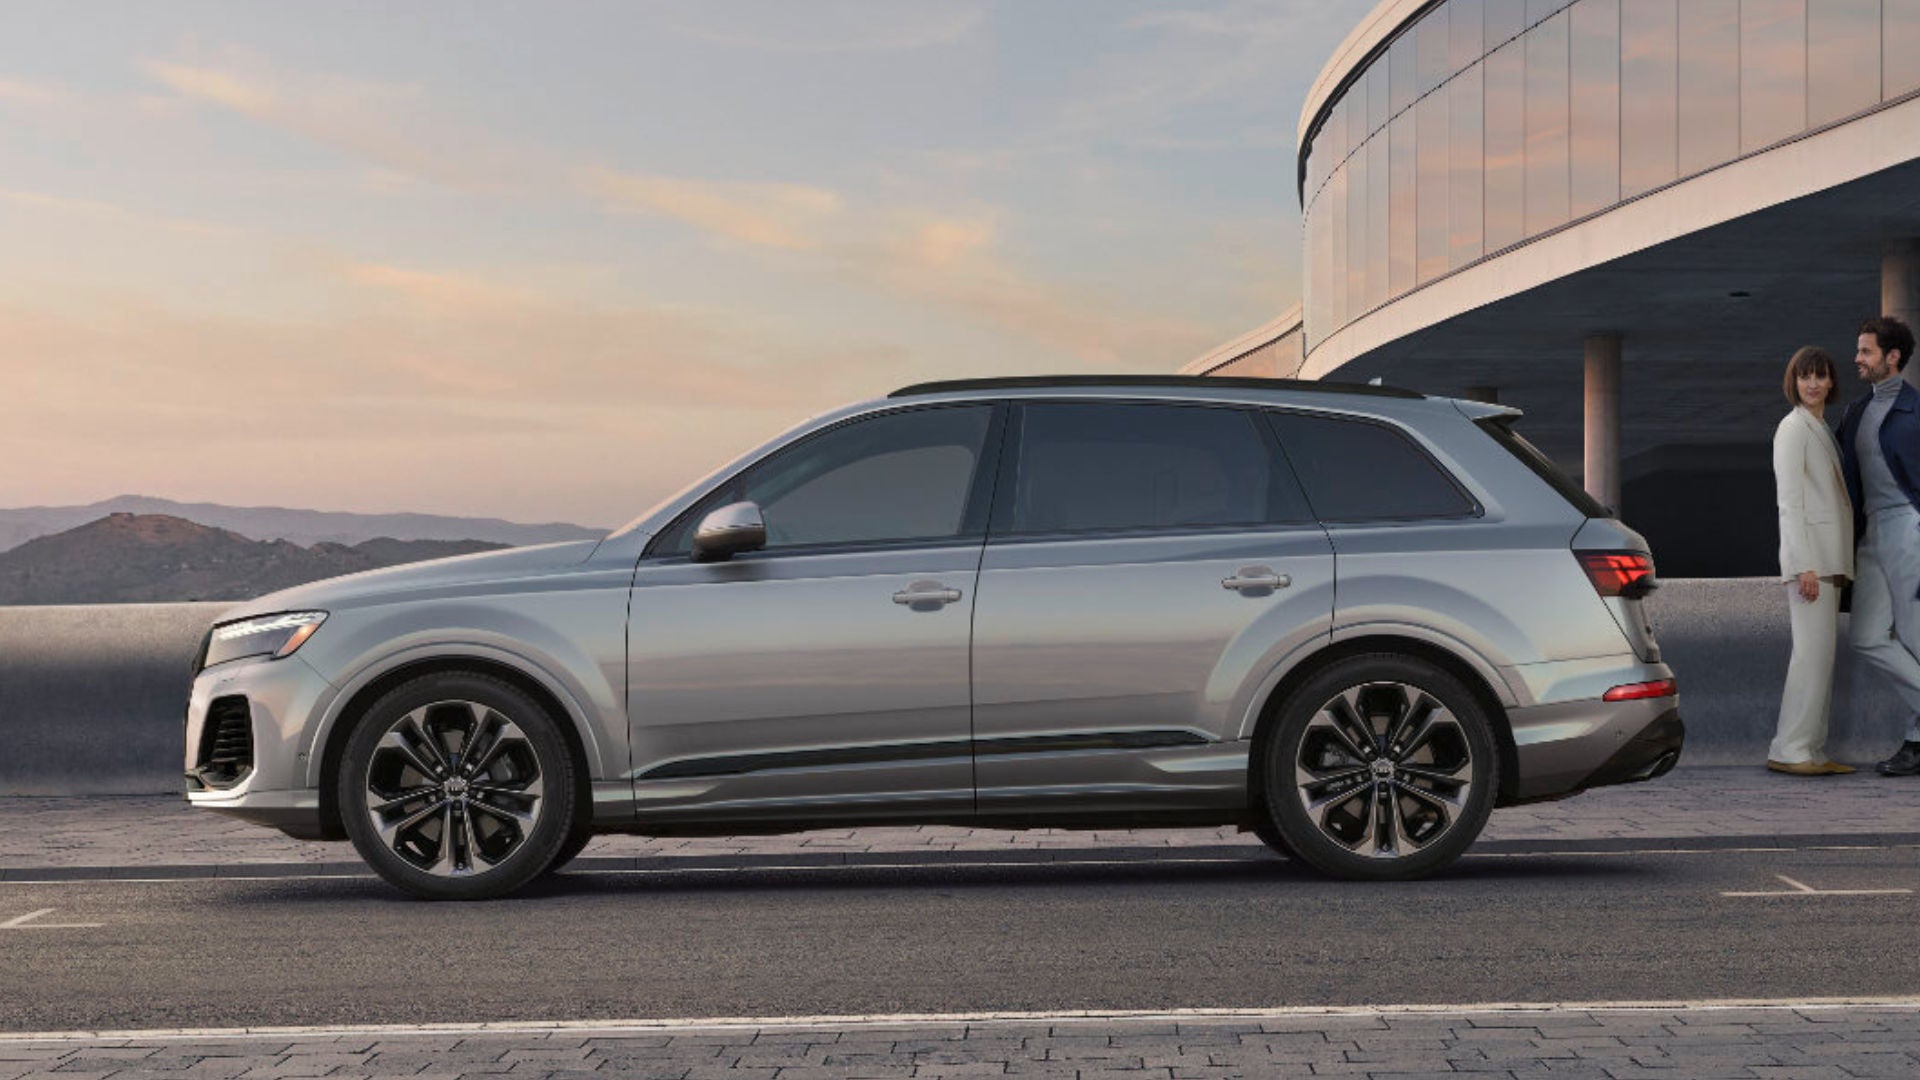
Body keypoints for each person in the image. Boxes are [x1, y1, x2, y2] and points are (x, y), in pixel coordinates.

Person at [1836, 315, 1920, 776]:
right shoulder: (1854, 413)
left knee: (1914, 637)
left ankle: (1915, 742)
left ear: (1892, 357)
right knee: (1868, 636)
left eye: (1866, 351)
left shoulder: (1916, 412)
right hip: (1868, 533)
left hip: (1910, 527)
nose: (1857, 359)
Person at [1768, 347, 1854, 775]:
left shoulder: (1819, 428)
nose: (1814, 384)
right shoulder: (1793, 428)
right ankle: (1791, 749)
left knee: (1820, 659)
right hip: (1811, 564)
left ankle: (1811, 748)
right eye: (1806, 377)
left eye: (1820, 376)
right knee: (1809, 657)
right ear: (1794, 382)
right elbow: (1789, 503)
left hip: (1828, 560)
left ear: (1831, 382)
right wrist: (1803, 564)